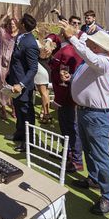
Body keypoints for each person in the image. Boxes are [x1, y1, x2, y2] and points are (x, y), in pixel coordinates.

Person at [60, 20, 109, 216]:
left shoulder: (103, 61)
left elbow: (86, 54)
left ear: (97, 46)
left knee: (101, 155)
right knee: (89, 150)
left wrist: (72, 37)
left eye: (91, 42)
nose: (88, 44)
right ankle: (94, 179)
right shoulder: (95, 60)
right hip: (86, 111)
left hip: (97, 114)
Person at [47, 29, 84, 172]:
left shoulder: (68, 51)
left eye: (61, 33)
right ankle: (68, 154)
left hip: (67, 97)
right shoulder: (69, 49)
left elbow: (65, 73)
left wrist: (58, 99)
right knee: (67, 127)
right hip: (66, 95)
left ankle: (76, 160)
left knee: (71, 128)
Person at [6, 13, 39, 152]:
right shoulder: (21, 37)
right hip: (14, 82)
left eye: (20, 21)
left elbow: (33, 68)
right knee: (18, 111)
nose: (17, 22)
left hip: (23, 86)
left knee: (26, 114)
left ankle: (28, 142)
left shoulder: (30, 43)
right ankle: (19, 135)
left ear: (24, 25)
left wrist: (22, 84)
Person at [0, 15, 20, 120]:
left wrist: (16, 18)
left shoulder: (19, 36)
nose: (12, 26)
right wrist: (6, 15)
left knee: (12, 86)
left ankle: (14, 108)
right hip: (2, 64)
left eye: (14, 24)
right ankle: (3, 108)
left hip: (13, 64)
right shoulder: (3, 34)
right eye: (10, 24)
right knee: (2, 86)